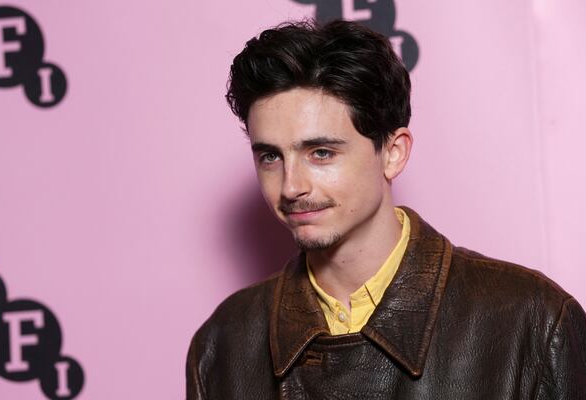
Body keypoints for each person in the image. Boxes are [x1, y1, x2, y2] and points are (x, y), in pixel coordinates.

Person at [186, 20, 586, 399]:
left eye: (321, 153)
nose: (291, 186)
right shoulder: (224, 343)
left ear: (393, 154)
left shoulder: (530, 321)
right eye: (271, 157)